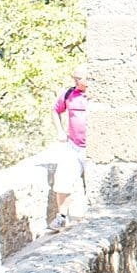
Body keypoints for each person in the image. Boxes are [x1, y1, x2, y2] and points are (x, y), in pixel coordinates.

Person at [51, 68, 88, 231]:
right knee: (63, 179)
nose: (75, 81)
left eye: (78, 78)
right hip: (74, 145)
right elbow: (55, 110)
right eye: (74, 78)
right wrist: (60, 130)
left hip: (94, 148)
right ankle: (62, 216)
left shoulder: (97, 97)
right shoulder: (69, 94)